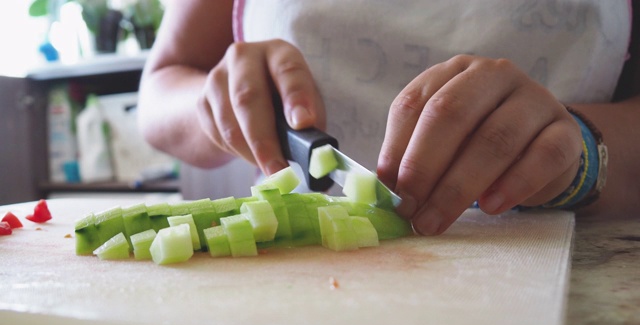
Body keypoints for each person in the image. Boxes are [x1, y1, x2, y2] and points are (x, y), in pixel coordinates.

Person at [138, 0, 640, 235]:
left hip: (579, 267)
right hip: (300, 277)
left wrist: (582, 155)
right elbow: (158, 89)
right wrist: (215, 104)